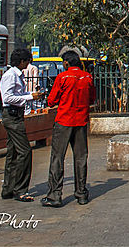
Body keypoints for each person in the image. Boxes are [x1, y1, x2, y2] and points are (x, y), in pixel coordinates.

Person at [41, 51, 96, 207]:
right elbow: (92, 98)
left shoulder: (62, 77)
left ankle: (55, 195)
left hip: (64, 120)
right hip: (81, 121)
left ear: (66, 63)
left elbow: (51, 101)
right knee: (80, 157)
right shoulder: (87, 77)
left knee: (57, 157)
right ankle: (81, 193)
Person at [0, 48, 45, 202]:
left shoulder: (18, 76)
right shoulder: (10, 76)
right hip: (12, 116)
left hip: (16, 114)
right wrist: (30, 96)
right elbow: (8, 97)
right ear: (21, 61)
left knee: (13, 153)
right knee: (25, 151)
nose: (28, 64)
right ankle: (20, 189)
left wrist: (30, 97)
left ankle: (8, 188)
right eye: (26, 61)